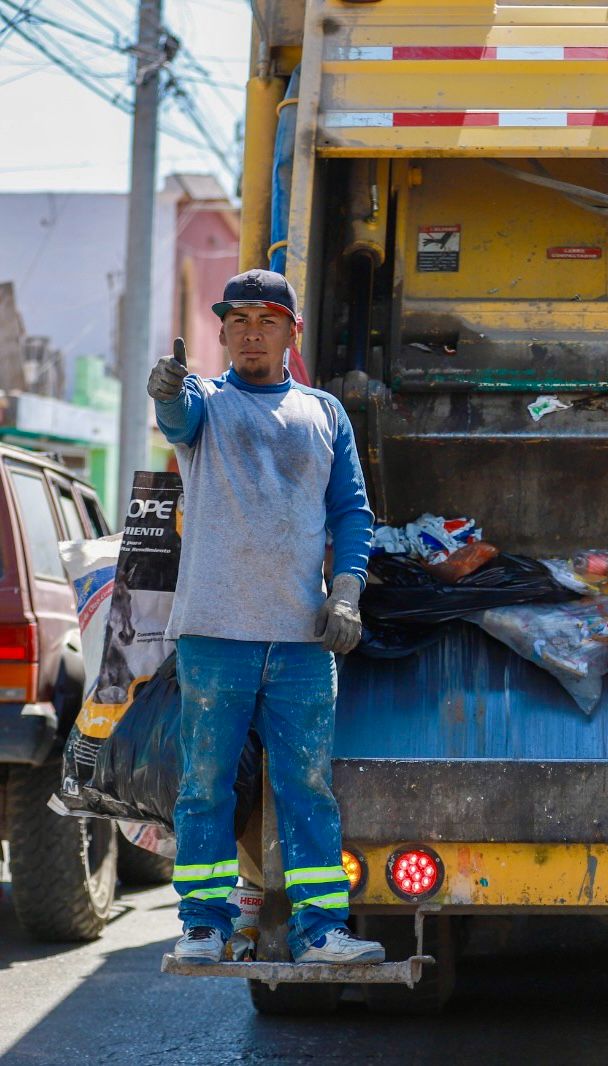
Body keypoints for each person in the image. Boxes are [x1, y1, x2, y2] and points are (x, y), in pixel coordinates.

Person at [149, 269, 385, 965]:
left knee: (306, 784)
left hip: (302, 639)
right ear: (221, 333)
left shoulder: (324, 413)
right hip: (215, 632)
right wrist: (167, 391)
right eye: (239, 322)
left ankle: (322, 933)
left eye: (267, 321)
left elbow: (351, 513)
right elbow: (175, 416)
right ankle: (204, 927)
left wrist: (345, 592)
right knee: (205, 783)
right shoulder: (205, 404)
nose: (251, 333)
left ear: (291, 332)